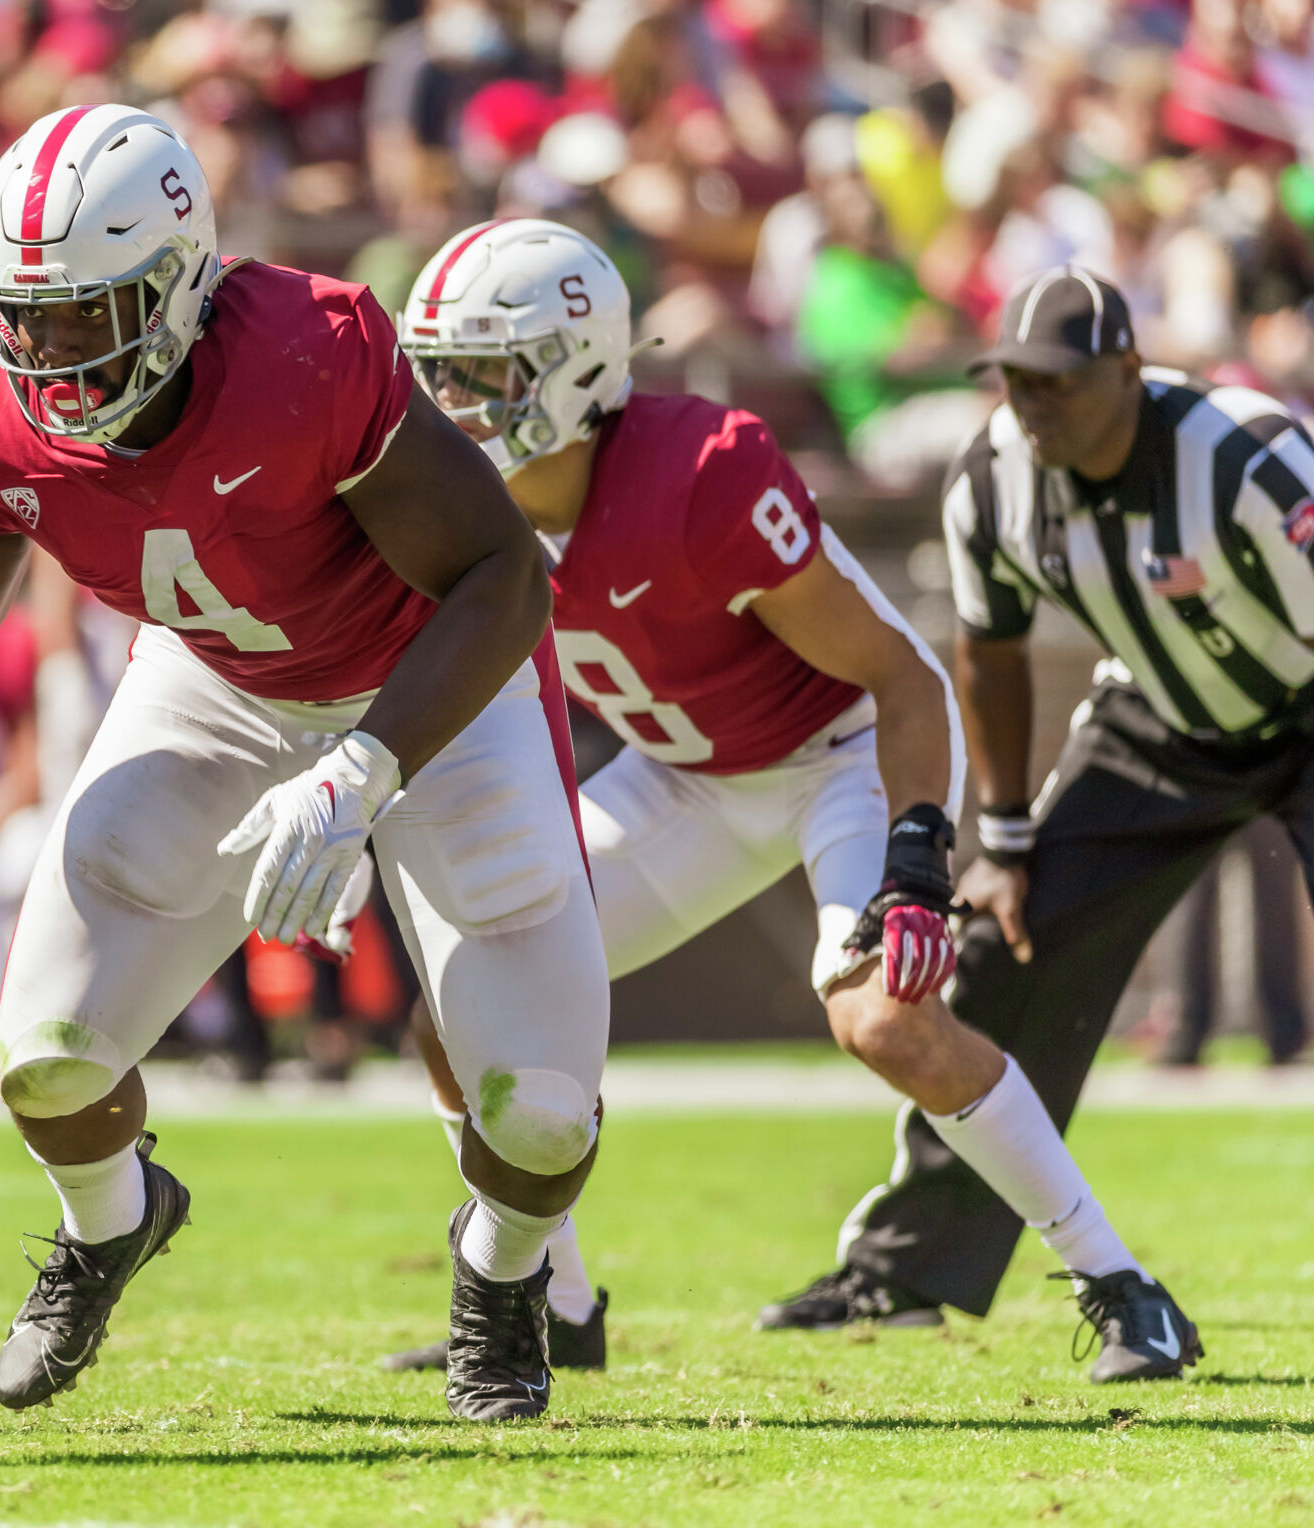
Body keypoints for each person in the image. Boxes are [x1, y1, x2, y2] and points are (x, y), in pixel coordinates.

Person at [0, 104, 611, 1422]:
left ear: (176, 286)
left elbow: (503, 580)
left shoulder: (305, 357)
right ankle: (112, 1223)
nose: (39, 352)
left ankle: (499, 1280)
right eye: (18, 313)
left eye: (79, 314)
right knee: (46, 1054)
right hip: (216, 683)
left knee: (546, 1110)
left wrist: (364, 770)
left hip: (434, 685)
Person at [383, 222, 1199, 1384]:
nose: (447, 407)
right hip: (688, 775)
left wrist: (916, 853)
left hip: (840, 754)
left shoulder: (699, 470)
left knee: (883, 1021)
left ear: (571, 369)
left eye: (479, 376)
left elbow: (901, 678)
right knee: (454, 1008)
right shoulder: (455, 501)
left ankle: (1122, 1285)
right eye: (435, 374)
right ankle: (546, 1302)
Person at [768, 265, 1313, 1348]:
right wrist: (1005, 837)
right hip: (1159, 722)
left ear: (1126, 370)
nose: (1032, 404)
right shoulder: (989, 477)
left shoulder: (1246, 460)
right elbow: (990, 650)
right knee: (1006, 951)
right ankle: (905, 1263)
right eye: (1014, 381)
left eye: (1057, 382)